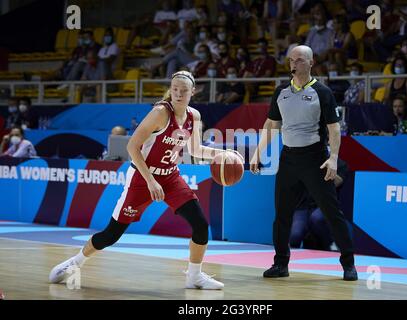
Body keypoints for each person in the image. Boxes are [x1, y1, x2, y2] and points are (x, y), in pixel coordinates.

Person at [49, 71, 243, 290]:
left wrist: (223, 155)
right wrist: (151, 181)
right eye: (175, 89)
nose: (178, 93)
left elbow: (194, 149)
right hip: (142, 177)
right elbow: (132, 146)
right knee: (111, 235)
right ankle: (75, 263)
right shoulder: (161, 113)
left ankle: (194, 276)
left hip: (170, 176)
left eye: (183, 90)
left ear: (193, 92)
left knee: (200, 224)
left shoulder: (193, 117)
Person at [249, 45, 357, 281]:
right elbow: (271, 125)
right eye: (291, 60)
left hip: (315, 158)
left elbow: (334, 129)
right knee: (282, 215)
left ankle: (348, 264)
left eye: (299, 60)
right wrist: (258, 153)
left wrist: (333, 159)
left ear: (311, 62)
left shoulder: (322, 92)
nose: (294, 64)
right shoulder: (281, 92)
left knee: (332, 213)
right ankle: (280, 264)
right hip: (288, 159)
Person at [290, 158, 348, 251]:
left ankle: (331, 243)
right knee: (295, 236)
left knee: (316, 218)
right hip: (303, 206)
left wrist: (328, 169)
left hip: (325, 205)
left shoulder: (340, 163)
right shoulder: (303, 158)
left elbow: (337, 182)